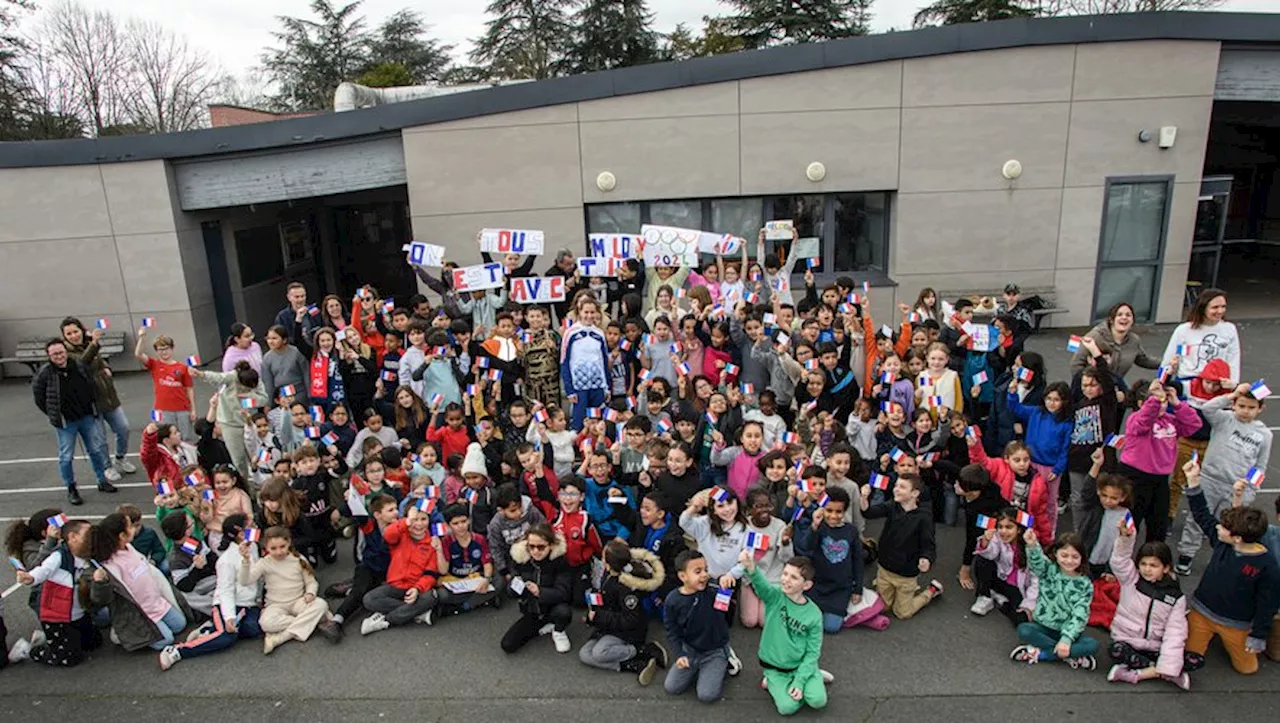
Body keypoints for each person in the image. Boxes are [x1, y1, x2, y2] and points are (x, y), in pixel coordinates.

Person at [1181, 458, 1278, 675]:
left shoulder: (1268, 566)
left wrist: (1258, 636)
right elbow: (1201, 516)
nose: (1218, 529)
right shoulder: (1225, 542)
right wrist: (1194, 482)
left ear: (1237, 538)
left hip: (1236, 623)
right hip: (1202, 612)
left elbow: (1267, 603)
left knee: (1247, 669)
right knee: (1189, 653)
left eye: (1224, 528)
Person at [1176, 382, 1271, 575]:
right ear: (1234, 404)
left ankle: (1220, 560)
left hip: (1237, 489)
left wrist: (1250, 489)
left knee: (1230, 527)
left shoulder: (1265, 435)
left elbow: (1260, 466)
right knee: (1197, 518)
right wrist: (1231, 394)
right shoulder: (1224, 419)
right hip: (1210, 479)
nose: (1245, 411)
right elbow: (1207, 408)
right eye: (1241, 405)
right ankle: (1186, 555)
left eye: (1251, 408)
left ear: (1261, 409)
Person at [158, 514, 263, 670]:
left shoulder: (251, 546)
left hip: (242, 598)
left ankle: (209, 629)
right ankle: (178, 650)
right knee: (227, 637)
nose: (255, 527)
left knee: (253, 629)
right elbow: (222, 589)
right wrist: (228, 617)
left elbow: (211, 558)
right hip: (223, 598)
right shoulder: (178, 558)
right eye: (251, 525)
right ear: (240, 533)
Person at [739, 550, 828, 716]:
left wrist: (800, 682)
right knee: (788, 708)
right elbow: (761, 585)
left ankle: (811, 674)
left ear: (806, 585)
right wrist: (751, 567)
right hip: (775, 668)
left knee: (818, 701)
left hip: (799, 664)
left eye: (794, 577)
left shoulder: (814, 614)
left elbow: (813, 650)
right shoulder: (775, 597)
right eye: (785, 573)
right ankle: (781, 681)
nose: (786, 579)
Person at [1105, 519, 1192, 689]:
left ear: (1166, 568)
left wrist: (1169, 660)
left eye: (1154, 565)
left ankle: (1138, 673)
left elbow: (1175, 631)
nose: (1147, 569)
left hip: (1155, 646)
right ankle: (1164, 673)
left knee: (1195, 660)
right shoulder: (1132, 579)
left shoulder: (1175, 597)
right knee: (1115, 650)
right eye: (1143, 564)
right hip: (1128, 640)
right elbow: (1119, 561)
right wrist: (1125, 538)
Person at [89, 513, 193, 652]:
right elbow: (102, 598)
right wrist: (100, 582)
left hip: (155, 602)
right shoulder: (110, 565)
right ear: (122, 536)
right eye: (130, 526)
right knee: (167, 640)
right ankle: (122, 634)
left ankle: (157, 627)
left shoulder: (130, 547)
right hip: (140, 613)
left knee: (180, 625)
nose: (134, 528)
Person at [33, 338, 118, 505]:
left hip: (86, 416)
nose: (59, 356)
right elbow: (39, 397)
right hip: (66, 422)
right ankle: (71, 487)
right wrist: (53, 414)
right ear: (49, 355)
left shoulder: (78, 365)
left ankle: (102, 480)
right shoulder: (44, 374)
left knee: (95, 450)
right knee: (66, 456)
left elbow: (91, 383)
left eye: (61, 352)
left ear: (66, 351)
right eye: (55, 354)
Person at [1118, 379, 1201, 546]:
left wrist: (1177, 404)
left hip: (1160, 479)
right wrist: (1155, 400)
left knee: (1158, 526)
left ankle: (1152, 560)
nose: (1162, 406)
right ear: (1142, 403)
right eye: (1158, 401)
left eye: (1164, 402)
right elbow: (1144, 420)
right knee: (1130, 524)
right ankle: (1120, 562)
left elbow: (1194, 424)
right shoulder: (1135, 419)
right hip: (1135, 478)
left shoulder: (1170, 421)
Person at [9, 519, 100, 666]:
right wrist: (31, 578)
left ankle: (50, 639)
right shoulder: (59, 556)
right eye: (88, 534)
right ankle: (28, 650)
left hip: (78, 613)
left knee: (93, 643)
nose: (93, 538)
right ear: (73, 537)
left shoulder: (87, 555)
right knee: (70, 658)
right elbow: (43, 570)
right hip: (58, 616)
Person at [237, 525, 342, 654]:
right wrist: (246, 561)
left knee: (321, 604)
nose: (279, 551)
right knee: (265, 623)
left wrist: (310, 593)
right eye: (273, 548)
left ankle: (280, 638)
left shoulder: (298, 559)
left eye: (282, 546)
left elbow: (311, 582)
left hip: (299, 601)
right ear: (266, 548)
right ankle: (313, 621)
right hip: (276, 604)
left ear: (289, 543)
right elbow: (245, 581)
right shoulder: (264, 563)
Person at [579, 540, 669, 685]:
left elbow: (631, 620)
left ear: (608, 564)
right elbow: (603, 597)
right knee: (585, 654)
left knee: (599, 653)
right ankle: (633, 665)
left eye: (603, 558)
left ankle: (644, 650)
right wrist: (593, 613)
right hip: (607, 626)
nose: (601, 561)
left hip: (627, 632)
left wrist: (600, 617)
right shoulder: (607, 575)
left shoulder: (626, 587)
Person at [59, 317, 134, 482]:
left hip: (108, 395)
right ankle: (107, 466)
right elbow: (82, 364)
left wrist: (106, 368)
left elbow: (99, 362)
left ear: (81, 330)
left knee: (123, 428)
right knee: (99, 439)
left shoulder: (89, 345)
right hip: (91, 401)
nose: (73, 336)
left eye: (75, 331)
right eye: (69, 333)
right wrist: (94, 344)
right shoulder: (68, 353)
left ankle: (120, 458)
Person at [1010, 529, 1097, 669]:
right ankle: (1070, 655)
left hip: (1068, 631)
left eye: (1075, 557)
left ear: (1082, 558)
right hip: (1043, 626)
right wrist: (1032, 545)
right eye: (1064, 555)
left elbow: (1080, 614)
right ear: (1056, 554)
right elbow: (1036, 562)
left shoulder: (1085, 584)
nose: (1069, 561)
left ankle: (1042, 654)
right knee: (1024, 630)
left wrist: (1066, 639)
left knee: (1093, 644)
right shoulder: (1048, 569)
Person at [859, 474, 941, 620]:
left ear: (915, 493)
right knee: (883, 608)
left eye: (902, 487)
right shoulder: (892, 505)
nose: (896, 489)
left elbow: (928, 544)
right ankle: (884, 586)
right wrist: (864, 498)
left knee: (902, 613)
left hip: (906, 574)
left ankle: (931, 591)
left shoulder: (924, 517)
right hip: (885, 568)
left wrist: (926, 559)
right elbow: (869, 513)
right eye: (896, 485)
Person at [360, 504, 444, 634]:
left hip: (416, 589)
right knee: (369, 599)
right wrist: (406, 522)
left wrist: (417, 588)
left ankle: (386, 620)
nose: (419, 524)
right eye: (415, 520)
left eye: (423, 519)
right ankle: (417, 613)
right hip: (395, 586)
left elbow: (431, 574)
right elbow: (388, 534)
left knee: (431, 597)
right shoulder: (401, 534)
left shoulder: (433, 542)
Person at [662, 550, 732, 703]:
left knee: (706, 695)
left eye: (706, 569)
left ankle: (726, 658)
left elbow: (727, 617)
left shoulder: (713, 590)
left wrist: (725, 586)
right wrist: (679, 654)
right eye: (698, 571)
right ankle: (701, 669)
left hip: (714, 650)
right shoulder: (673, 600)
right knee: (672, 687)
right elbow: (672, 631)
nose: (704, 575)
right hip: (690, 649)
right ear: (682, 576)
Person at [792, 486, 862, 633]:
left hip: (840, 588)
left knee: (831, 627)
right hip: (817, 584)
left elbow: (857, 560)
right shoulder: (819, 527)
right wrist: (814, 526)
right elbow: (805, 546)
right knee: (804, 621)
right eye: (829, 510)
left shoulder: (851, 531)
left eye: (838, 512)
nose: (833, 516)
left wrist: (858, 588)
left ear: (844, 512)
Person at [501, 524, 574, 654]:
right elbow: (510, 592)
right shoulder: (520, 559)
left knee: (564, 612)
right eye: (531, 546)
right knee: (508, 645)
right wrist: (516, 587)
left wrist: (539, 591)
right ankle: (543, 625)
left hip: (554, 607)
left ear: (551, 545)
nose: (535, 551)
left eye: (541, 547)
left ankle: (558, 630)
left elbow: (564, 593)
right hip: (531, 610)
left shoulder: (560, 561)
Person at [191, 361, 269, 478]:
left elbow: (264, 399)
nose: (246, 389)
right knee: (238, 459)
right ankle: (243, 483)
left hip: (248, 422)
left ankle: (260, 480)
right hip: (230, 424)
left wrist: (251, 396)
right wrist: (202, 374)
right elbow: (218, 377)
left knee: (256, 455)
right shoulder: (232, 376)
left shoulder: (255, 380)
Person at [970, 507, 1038, 625]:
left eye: (1009, 527)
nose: (1003, 531)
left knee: (1021, 620)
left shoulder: (1031, 547)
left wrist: (1028, 604)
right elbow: (991, 554)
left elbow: (1036, 579)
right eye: (1000, 527)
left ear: (1019, 530)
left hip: (1018, 588)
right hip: (1000, 578)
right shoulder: (997, 537)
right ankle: (985, 595)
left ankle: (1001, 600)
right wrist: (985, 541)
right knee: (981, 558)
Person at [1161, 288, 1240, 388]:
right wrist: (1161, 385)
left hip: (1217, 385)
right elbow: (1168, 360)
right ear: (1203, 308)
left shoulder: (1229, 329)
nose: (1220, 311)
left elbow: (1233, 359)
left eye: (1223, 306)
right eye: (1215, 307)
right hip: (1188, 383)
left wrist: (1233, 384)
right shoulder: (1184, 330)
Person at [1069, 302, 1160, 382]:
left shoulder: (1134, 341)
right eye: (1119, 315)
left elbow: (1143, 360)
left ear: (1132, 321)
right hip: (1093, 388)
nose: (1124, 317)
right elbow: (1076, 364)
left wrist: (1166, 363)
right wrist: (1084, 385)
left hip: (1115, 386)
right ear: (1112, 320)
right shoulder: (1095, 337)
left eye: (1128, 315)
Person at [135, 327, 196, 441]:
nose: (164, 352)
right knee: (165, 438)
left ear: (172, 349)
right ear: (156, 351)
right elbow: (138, 354)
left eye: (166, 348)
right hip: (163, 409)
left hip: (182, 409)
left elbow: (189, 389)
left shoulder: (183, 368)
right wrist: (142, 338)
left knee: (186, 438)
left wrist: (193, 410)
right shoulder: (154, 365)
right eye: (160, 349)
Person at [561, 297, 611, 430]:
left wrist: (607, 387)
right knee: (579, 424)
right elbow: (564, 361)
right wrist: (569, 389)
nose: (589, 316)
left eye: (592, 312)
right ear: (579, 312)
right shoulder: (570, 333)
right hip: (579, 387)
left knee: (597, 423)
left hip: (597, 385)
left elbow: (604, 361)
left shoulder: (599, 333)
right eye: (586, 312)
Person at [260, 325, 310, 408]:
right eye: (268, 338)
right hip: (282, 397)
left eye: (274, 338)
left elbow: (306, 374)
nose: (270, 342)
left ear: (284, 340)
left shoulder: (296, 352)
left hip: (300, 394)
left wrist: (310, 396)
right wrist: (269, 404)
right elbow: (268, 383)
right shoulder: (267, 358)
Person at [274, 282, 321, 347]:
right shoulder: (282, 317)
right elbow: (283, 340)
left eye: (303, 296)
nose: (300, 299)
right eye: (297, 297)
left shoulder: (314, 310)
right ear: (289, 297)